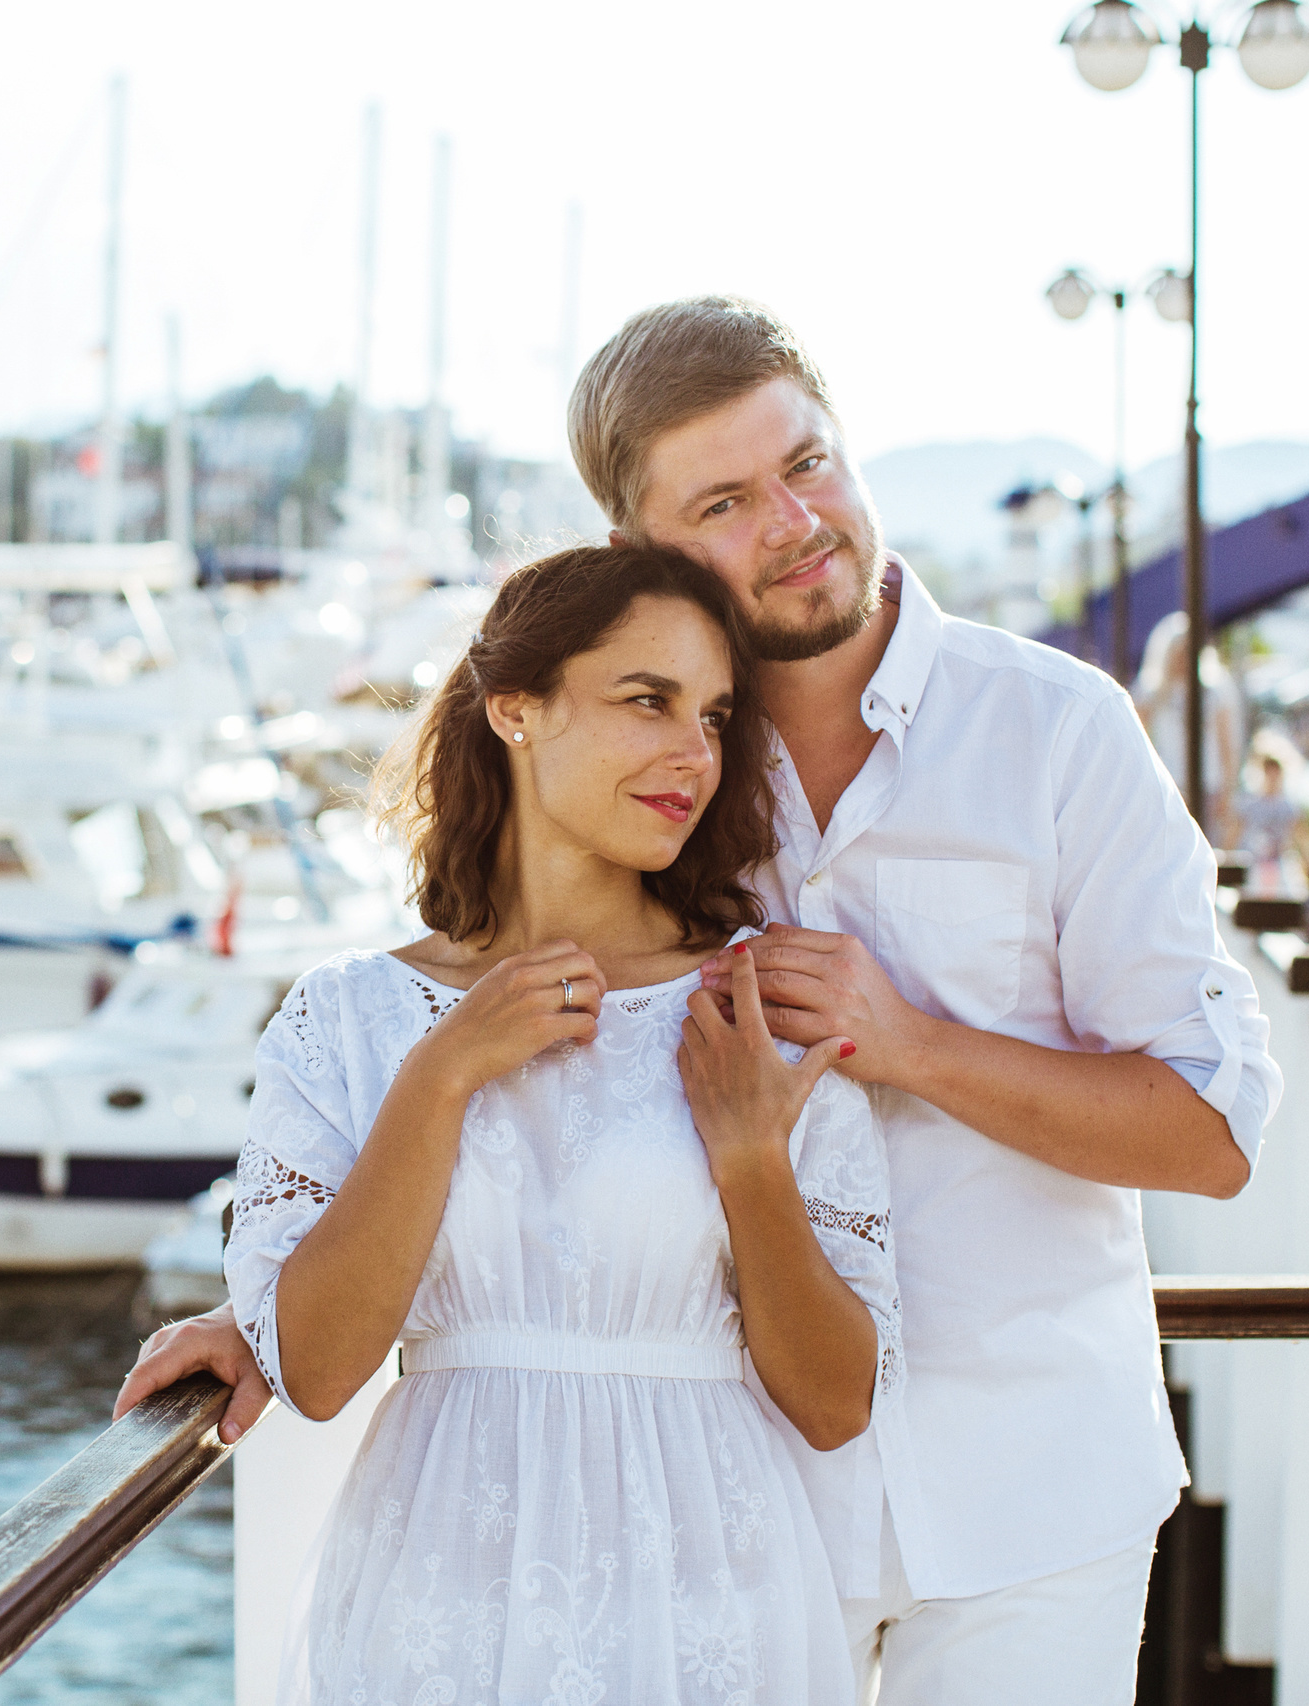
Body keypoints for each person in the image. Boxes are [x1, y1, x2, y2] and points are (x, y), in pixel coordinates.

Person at [121, 296, 1280, 1704]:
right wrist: (272, 1311)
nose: (795, 522)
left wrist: (908, 1042)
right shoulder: (655, 777)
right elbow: (504, 1070)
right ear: (640, 548)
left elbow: (1213, 1131)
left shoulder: (1059, 729)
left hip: (1028, 1500)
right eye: (725, 500)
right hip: (725, 1522)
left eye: (806, 463)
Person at [222, 543, 894, 1702]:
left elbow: (835, 1401)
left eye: (716, 716)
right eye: (648, 700)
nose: (693, 751)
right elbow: (321, 1370)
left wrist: (749, 1159)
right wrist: (442, 1075)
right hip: (437, 1606)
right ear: (515, 706)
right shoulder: (352, 1017)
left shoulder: (753, 1009)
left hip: (709, 1612)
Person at [1134, 610, 1242, 830]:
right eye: (1179, 651)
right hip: (1168, 785)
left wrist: (1228, 791)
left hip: (1209, 785)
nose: (1184, 658)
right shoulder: (1152, 692)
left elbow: (1227, 745)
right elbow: (1136, 739)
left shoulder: (1215, 690)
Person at [1232, 736, 1309, 901]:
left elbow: (1302, 834)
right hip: (1254, 864)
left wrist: (1308, 862)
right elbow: (1235, 832)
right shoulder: (1249, 804)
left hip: (1280, 864)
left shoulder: (1289, 806)